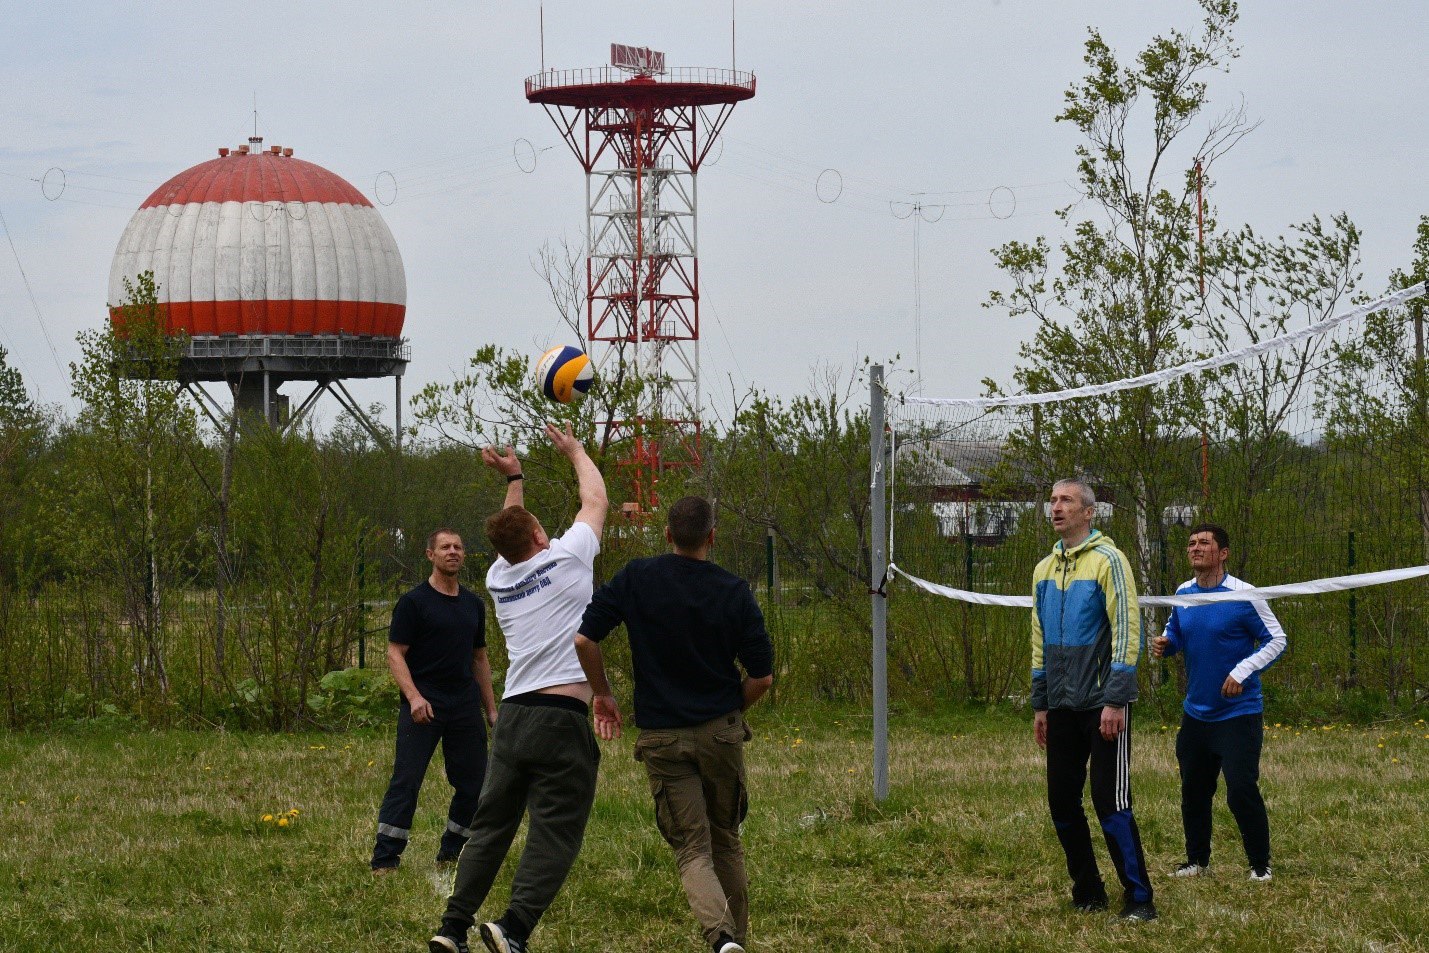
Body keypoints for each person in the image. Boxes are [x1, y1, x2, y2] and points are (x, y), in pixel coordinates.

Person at [429, 422, 608, 953]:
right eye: (537, 526)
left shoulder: (499, 580)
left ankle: (452, 926)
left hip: (513, 717)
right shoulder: (568, 557)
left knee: (490, 827)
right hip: (561, 717)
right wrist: (575, 450)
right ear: (538, 537)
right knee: (555, 831)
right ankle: (513, 928)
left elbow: (511, 530)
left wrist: (515, 476)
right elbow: (595, 498)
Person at [574, 496, 774, 953]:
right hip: (721, 732)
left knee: (692, 849)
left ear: (666, 534)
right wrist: (730, 710)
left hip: (662, 737)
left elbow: (585, 638)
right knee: (725, 840)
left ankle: (722, 941)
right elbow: (761, 677)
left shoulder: (637, 578)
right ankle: (736, 940)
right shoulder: (733, 590)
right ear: (712, 537)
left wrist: (602, 693)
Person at [1031, 477, 1155, 921]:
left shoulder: (1110, 560)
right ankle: (1088, 889)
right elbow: (1039, 640)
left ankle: (1140, 897)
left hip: (1104, 706)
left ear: (1088, 512)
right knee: (1062, 803)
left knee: (1110, 801)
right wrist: (1041, 704)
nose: (1056, 507)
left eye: (1066, 500)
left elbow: (1127, 629)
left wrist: (1116, 699)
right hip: (1061, 707)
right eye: (1053, 501)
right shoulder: (1044, 569)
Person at [1151, 523, 1286, 883]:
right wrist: (1167, 644)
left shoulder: (1245, 595)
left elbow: (1276, 639)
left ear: (1222, 553)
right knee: (1194, 790)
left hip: (1238, 714)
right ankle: (1197, 860)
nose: (1195, 548)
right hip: (1195, 714)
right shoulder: (1183, 592)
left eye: (1204, 543)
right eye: (1192, 543)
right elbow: (1175, 631)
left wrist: (1242, 672)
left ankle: (1260, 865)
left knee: (1241, 790)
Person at [371, 527, 499, 872]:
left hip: (464, 705)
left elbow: (479, 659)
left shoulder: (473, 604)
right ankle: (385, 858)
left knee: (474, 784)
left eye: (458, 547)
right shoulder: (414, 603)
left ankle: (452, 853)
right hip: (423, 707)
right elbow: (395, 654)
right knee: (407, 781)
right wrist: (413, 697)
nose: (453, 552)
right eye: (445, 547)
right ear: (431, 555)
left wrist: (490, 710)